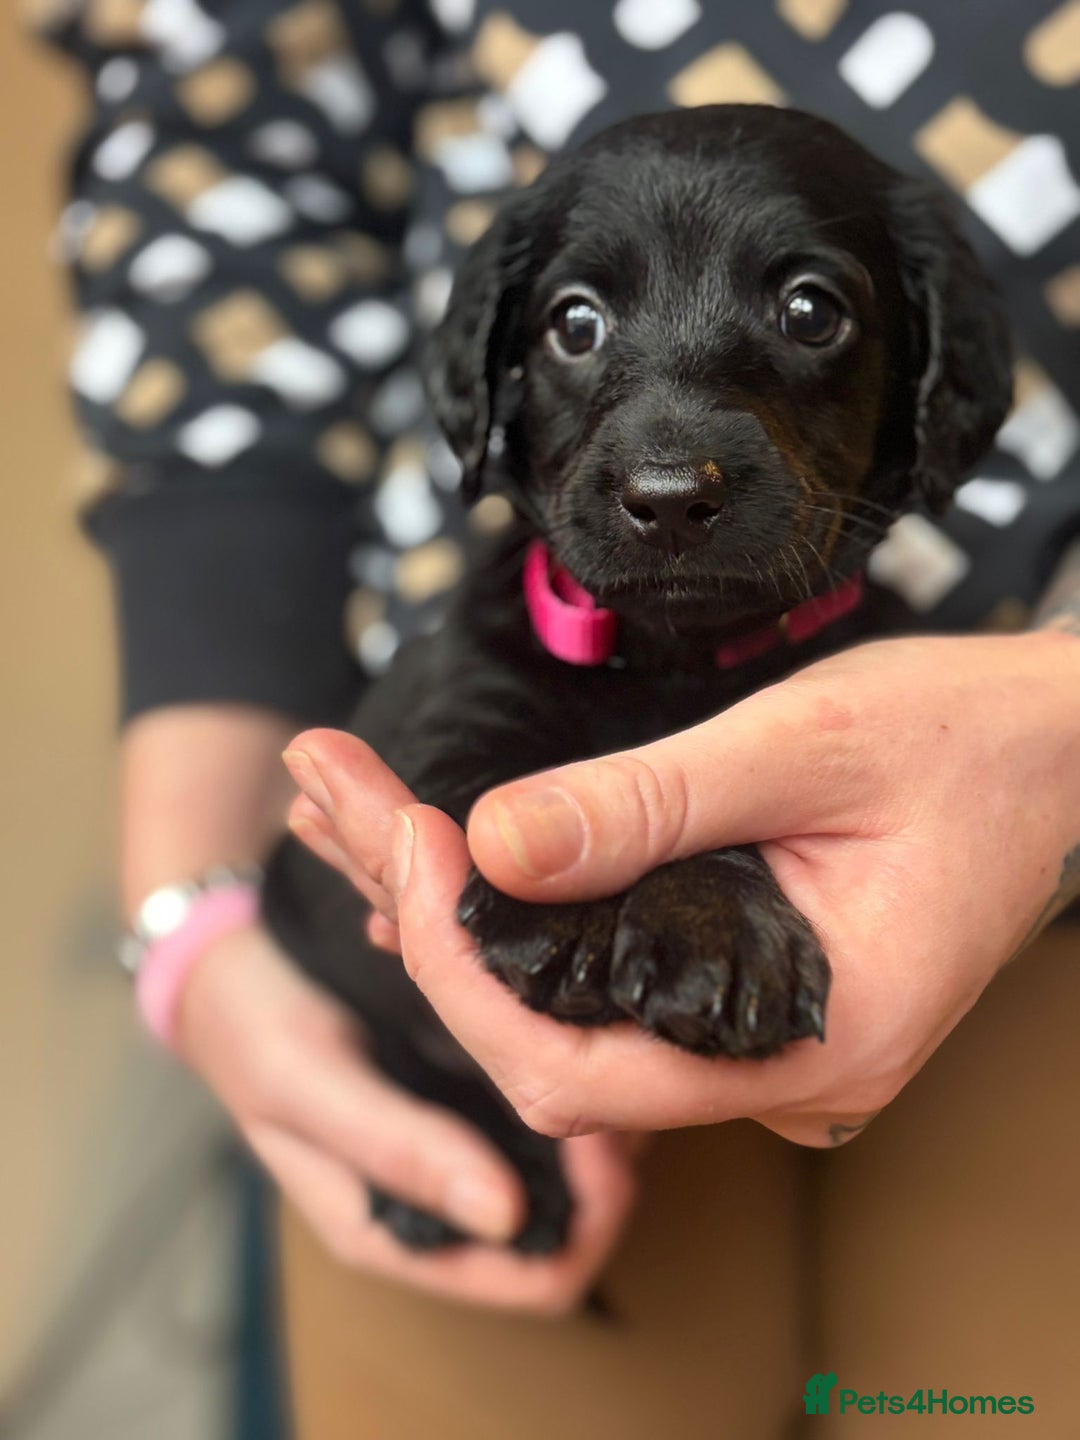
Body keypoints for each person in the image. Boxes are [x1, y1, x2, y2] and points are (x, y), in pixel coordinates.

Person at [42, 0, 1080, 1432]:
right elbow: (220, 117)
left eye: (806, 312)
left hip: (1034, 846)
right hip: (501, 1138)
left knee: (983, 1405)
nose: (668, 463)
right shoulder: (479, 683)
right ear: (505, 393)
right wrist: (191, 929)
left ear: (926, 383)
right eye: (581, 323)